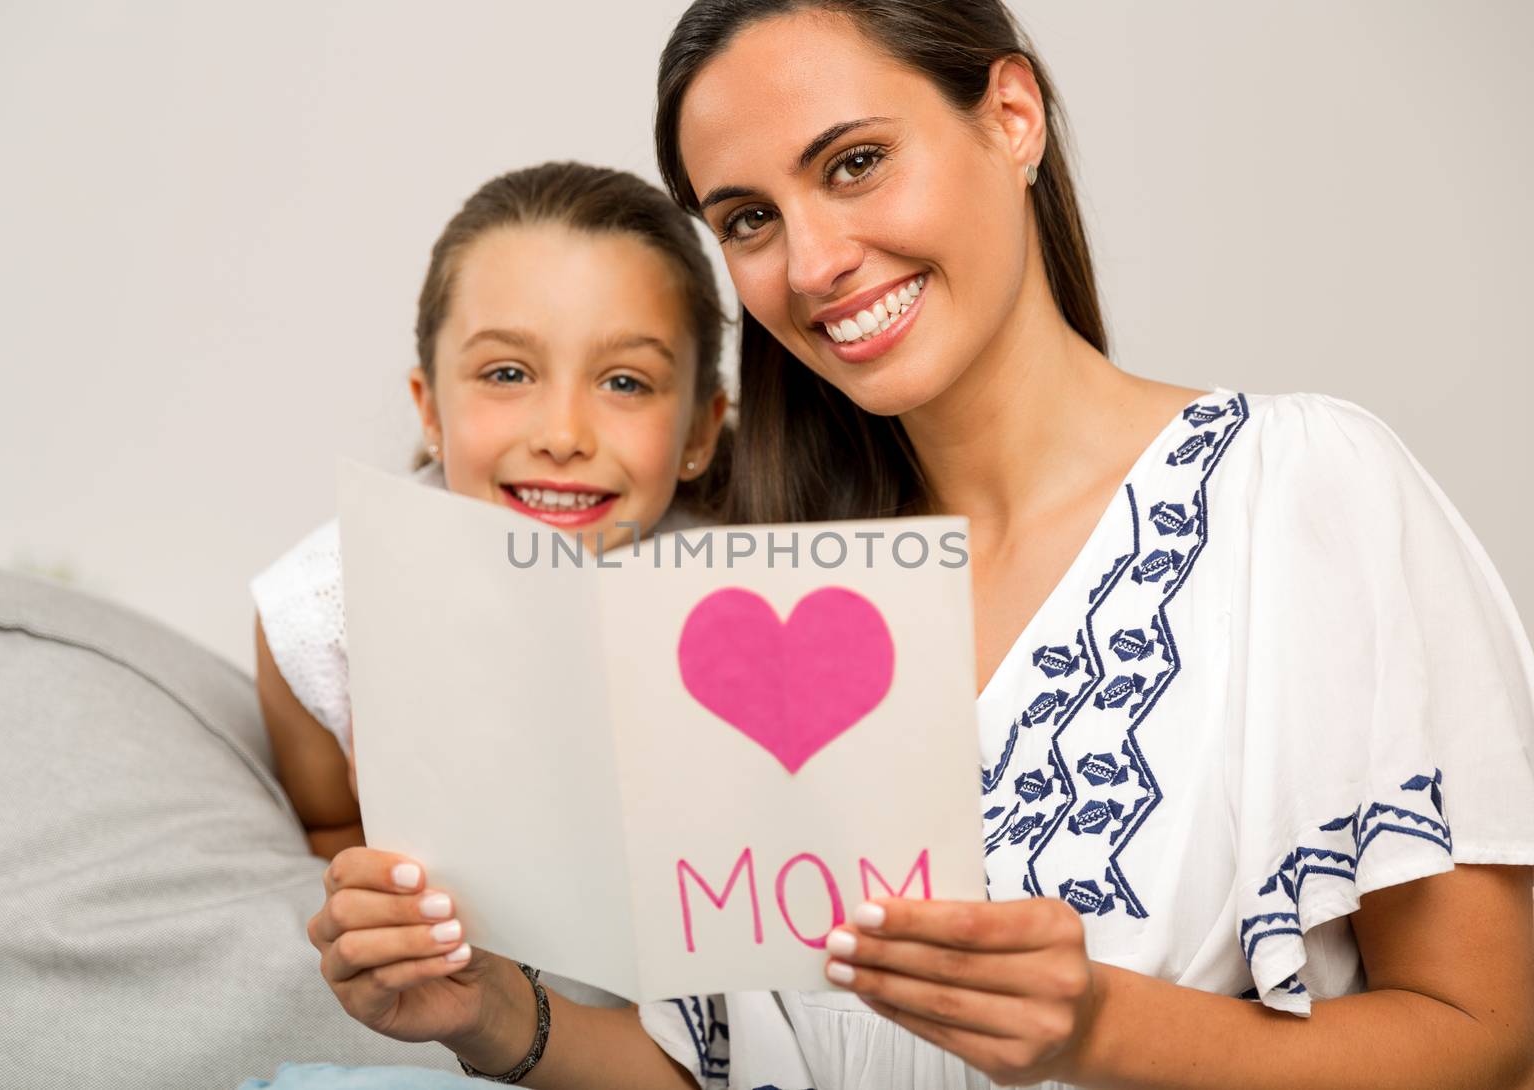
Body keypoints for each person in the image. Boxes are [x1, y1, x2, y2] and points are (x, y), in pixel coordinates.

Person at [307, 3, 1534, 1088]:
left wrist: (1098, 1024)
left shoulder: (1301, 489)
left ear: (1010, 116)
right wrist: (487, 1016)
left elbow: (1488, 1039)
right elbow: (746, 1067)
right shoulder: (757, 598)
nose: (813, 265)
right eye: (747, 219)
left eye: (854, 163)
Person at [252, 162, 729, 860]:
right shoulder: (327, 613)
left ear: (698, 431)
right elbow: (330, 832)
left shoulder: (749, 586)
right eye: (507, 374)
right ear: (430, 408)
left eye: (625, 382)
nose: (563, 437)